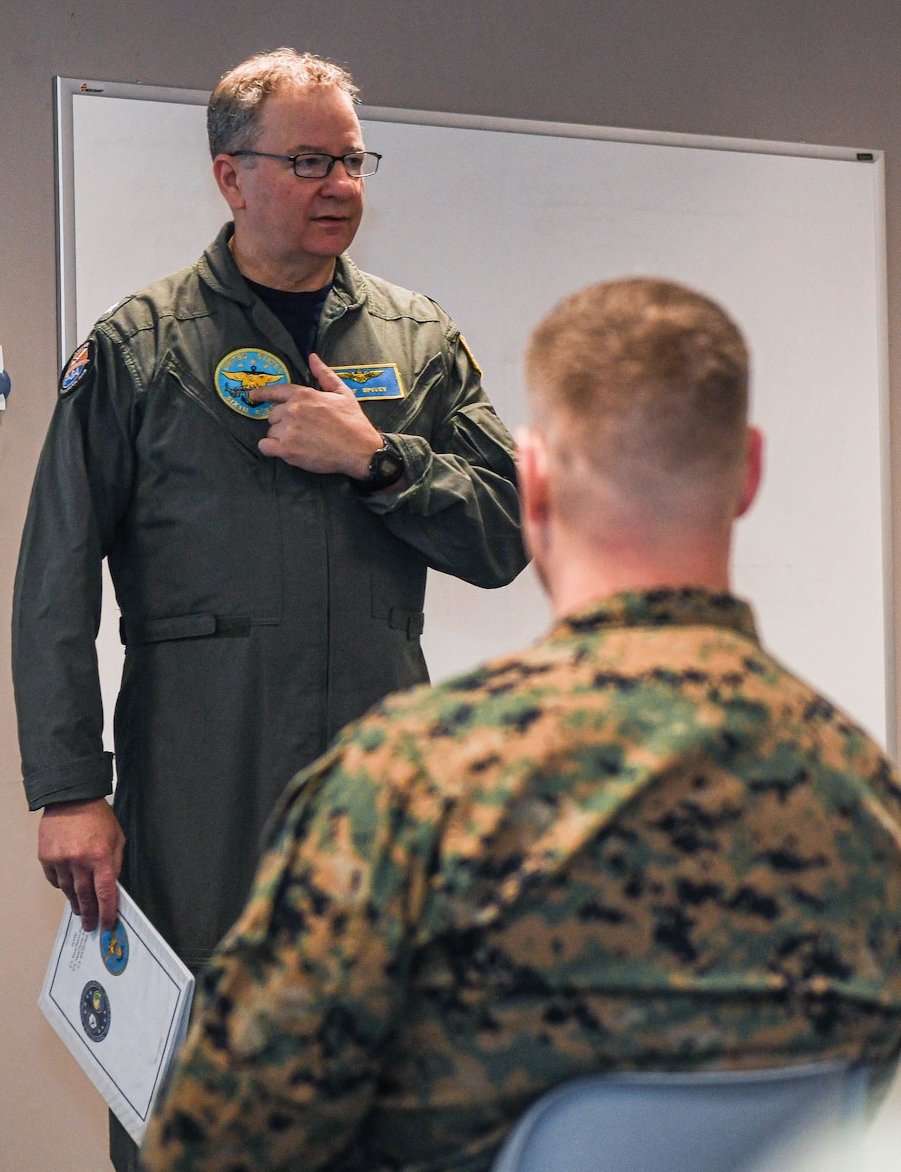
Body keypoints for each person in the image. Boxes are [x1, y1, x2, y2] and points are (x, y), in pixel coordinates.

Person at [140, 278, 901, 1172]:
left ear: (530, 481)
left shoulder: (406, 786)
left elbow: (218, 1148)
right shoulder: (863, 795)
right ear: (750, 473)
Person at [12, 49, 526, 1169]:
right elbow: (54, 578)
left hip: (380, 772)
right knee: (188, 1078)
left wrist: (381, 459)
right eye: (308, 159)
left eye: (350, 157)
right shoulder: (139, 348)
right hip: (201, 771)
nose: (340, 182)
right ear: (230, 176)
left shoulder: (416, 339)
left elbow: (505, 535)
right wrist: (67, 788)